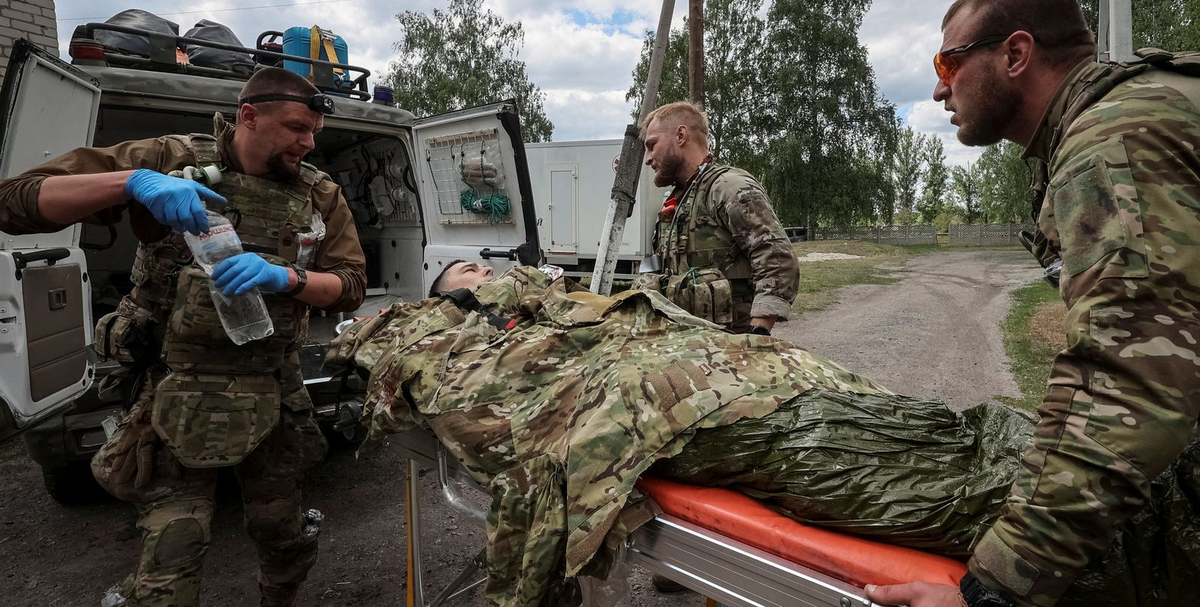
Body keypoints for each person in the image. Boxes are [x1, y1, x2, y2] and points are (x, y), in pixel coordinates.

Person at [330, 264, 1197, 607]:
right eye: (466, 273)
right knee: (930, 472)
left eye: (485, 265)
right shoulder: (454, 331)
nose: (483, 272)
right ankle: (1142, 517)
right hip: (693, 411)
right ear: (453, 291)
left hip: (749, 373)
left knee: (960, 430)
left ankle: (1145, 486)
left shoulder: (566, 291)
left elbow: (675, 306)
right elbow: (437, 374)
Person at [866, 0, 1200, 607]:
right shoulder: (1144, 107)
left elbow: (1130, 384)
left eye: (948, 62)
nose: (940, 90)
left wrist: (995, 589)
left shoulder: (1112, 143)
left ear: (1015, 54)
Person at [0, 67, 367, 606]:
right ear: (248, 116)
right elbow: (14, 200)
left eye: (313, 132)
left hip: (271, 385)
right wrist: (132, 183)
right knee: (173, 554)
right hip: (174, 387)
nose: (308, 143)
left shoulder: (319, 194)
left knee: (283, 536)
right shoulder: (171, 160)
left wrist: (287, 278)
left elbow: (351, 285)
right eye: (295, 128)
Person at [636, 101, 799, 335]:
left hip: (729, 349)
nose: (648, 158)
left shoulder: (727, 187)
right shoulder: (681, 199)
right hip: (689, 346)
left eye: (652, 145)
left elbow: (777, 258)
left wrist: (758, 334)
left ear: (681, 135)